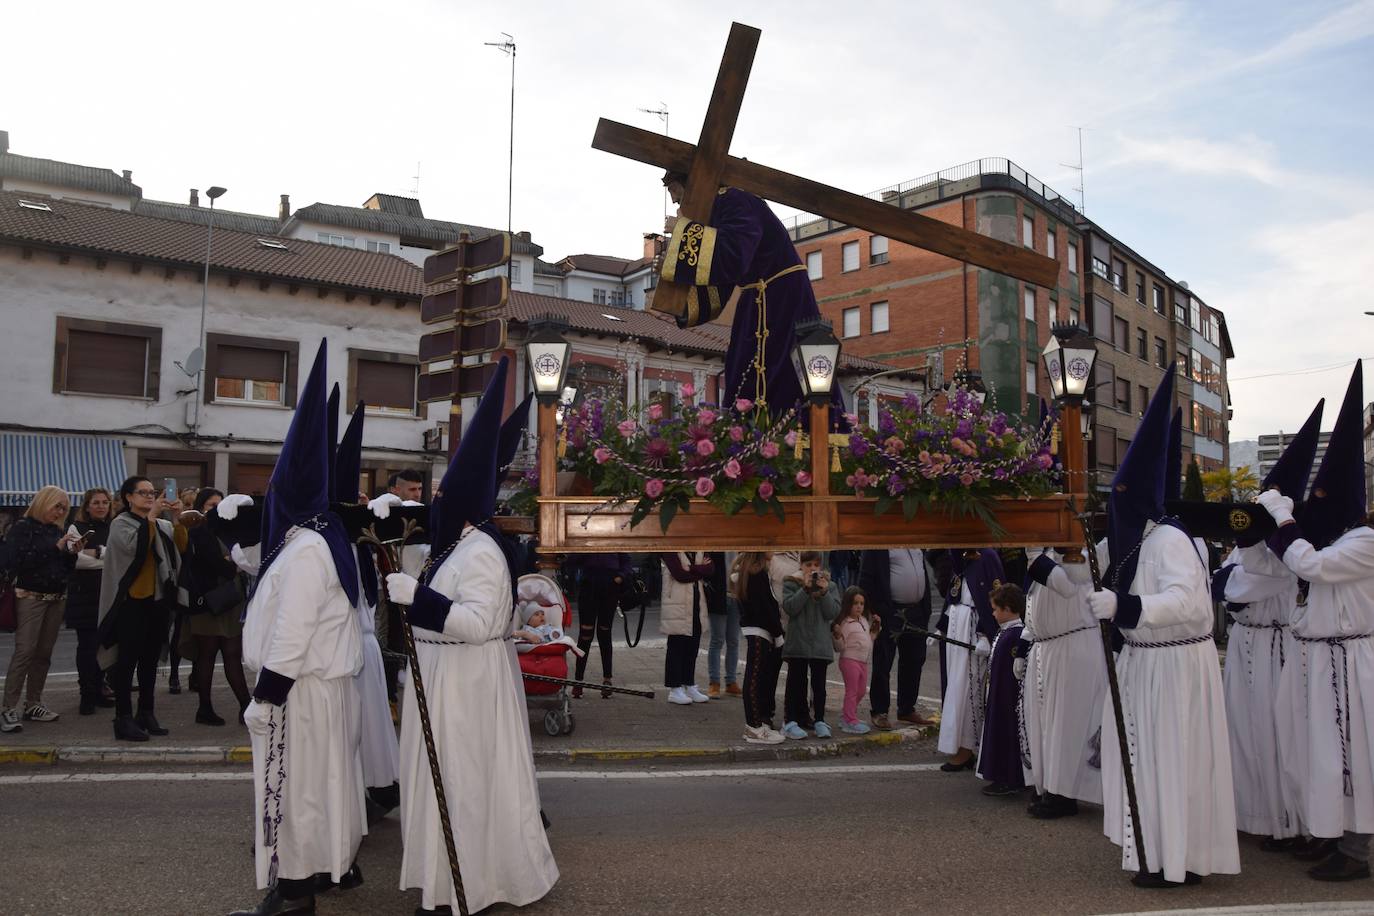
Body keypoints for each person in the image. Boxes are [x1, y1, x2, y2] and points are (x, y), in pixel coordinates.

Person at [383, 356, 558, 914]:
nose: (435, 504)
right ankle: (437, 881)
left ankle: (467, 886)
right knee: (435, 787)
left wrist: (420, 599)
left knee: (461, 784)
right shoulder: (453, 547)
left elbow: (480, 625)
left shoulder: (480, 551)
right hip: (437, 677)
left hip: (463, 683)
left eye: (441, 498)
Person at [1086, 366, 1239, 888]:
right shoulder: (1141, 541)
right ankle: (1158, 851)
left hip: (1174, 666)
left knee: (1173, 763)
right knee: (1151, 763)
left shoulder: (1170, 539)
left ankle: (1179, 859)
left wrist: (1124, 609)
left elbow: (1188, 603)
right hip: (1149, 664)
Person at [228, 340, 366, 916]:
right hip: (308, 691)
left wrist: (267, 693)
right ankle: (313, 877)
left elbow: (294, 628)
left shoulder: (307, 547)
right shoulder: (304, 541)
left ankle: (293, 894)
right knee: (310, 790)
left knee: (292, 795)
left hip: (299, 692)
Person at [1254, 362, 1374, 881]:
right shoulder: (1342, 539)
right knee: (1321, 755)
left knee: (1353, 758)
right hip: (1324, 660)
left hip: (1352, 663)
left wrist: (1284, 520)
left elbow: (1311, 565)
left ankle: (1359, 848)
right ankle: (1332, 833)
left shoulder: (1364, 543)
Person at [1217, 398, 1323, 850]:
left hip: (1275, 646)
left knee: (1277, 734)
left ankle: (1289, 821)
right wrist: (1229, 576)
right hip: (1244, 644)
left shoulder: (1283, 551)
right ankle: (1255, 813)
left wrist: (1230, 577)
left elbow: (1241, 586)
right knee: (1242, 729)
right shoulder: (1250, 546)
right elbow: (1226, 579)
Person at [660, 171, 837, 414]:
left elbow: (733, 256)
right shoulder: (718, 209)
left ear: (690, 183)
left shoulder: (736, 200)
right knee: (744, 375)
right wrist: (679, 297)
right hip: (755, 301)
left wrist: (682, 230)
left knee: (789, 378)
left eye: (672, 190)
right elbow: (719, 283)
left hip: (783, 298)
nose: (673, 201)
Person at [333, 399, 402, 819]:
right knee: (358, 732)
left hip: (357, 650)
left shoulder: (357, 541)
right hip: (346, 651)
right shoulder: (333, 543)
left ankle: (371, 794)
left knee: (365, 730)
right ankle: (362, 793)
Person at [1021, 546, 1106, 819]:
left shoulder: (1080, 551)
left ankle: (1064, 794)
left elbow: (1066, 585)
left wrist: (1035, 558)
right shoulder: (1046, 552)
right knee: (1044, 724)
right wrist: (1023, 645)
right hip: (1045, 647)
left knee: (1066, 726)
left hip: (1073, 646)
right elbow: (1033, 599)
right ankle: (1047, 784)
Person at [96, 477, 184, 742]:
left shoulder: (163, 524)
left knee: (149, 661)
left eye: (152, 492)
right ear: (128, 497)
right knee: (126, 662)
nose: (149, 497)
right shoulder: (120, 524)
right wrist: (153, 515)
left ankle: (146, 712)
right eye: (143, 493)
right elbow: (135, 548)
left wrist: (178, 517)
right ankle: (122, 718)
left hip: (158, 599)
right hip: (130, 601)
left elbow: (181, 547)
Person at [0, 486, 81, 732]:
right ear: (42, 503)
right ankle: (7, 708)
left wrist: (71, 553)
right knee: (25, 651)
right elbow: (16, 561)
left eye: (64, 508)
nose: (59, 512)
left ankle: (33, 702)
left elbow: (64, 567)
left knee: (43, 654)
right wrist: (55, 548)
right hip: (30, 596)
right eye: (56, 506)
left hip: (56, 596)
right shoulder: (22, 528)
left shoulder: (56, 529)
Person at [179, 488, 250, 727]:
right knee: (207, 654)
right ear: (201, 507)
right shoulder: (199, 530)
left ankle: (245, 706)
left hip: (231, 600)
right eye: (211, 505)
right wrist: (233, 564)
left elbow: (241, 560)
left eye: (220, 504)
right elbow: (220, 565)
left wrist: (233, 563)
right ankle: (205, 707)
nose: (216, 509)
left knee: (231, 653)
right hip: (208, 600)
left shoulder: (229, 528)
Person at [935, 548, 1004, 771]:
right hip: (957, 626)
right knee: (954, 687)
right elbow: (954, 591)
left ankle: (967, 747)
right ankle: (956, 743)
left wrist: (985, 632)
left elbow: (995, 594)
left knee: (969, 688)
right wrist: (943, 626)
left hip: (972, 628)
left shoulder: (988, 556)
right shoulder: (961, 555)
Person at [858, 548, 936, 729]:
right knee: (883, 661)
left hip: (916, 612)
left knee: (915, 660)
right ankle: (880, 711)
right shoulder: (878, 546)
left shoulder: (915, 543)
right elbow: (866, 579)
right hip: (889, 612)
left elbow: (922, 572)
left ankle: (907, 708)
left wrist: (926, 610)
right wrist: (874, 611)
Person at [976, 583, 1030, 798]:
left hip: (1007, 700)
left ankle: (1009, 778)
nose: (992, 612)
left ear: (1007, 609)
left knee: (1007, 737)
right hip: (998, 695)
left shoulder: (1015, 635)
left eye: (995, 608)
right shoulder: (1006, 633)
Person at [780, 551, 842, 739]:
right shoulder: (791, 582)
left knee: (819, 685)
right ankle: (790, 720)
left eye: (816, 565)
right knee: (795, 682)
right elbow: (790, 608)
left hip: (820, 644)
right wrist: (805, 589)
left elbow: (832, 612)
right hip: (798, 642)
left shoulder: (830, 586)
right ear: (801, 566)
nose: (812, 569)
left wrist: (823, 593)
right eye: (808, 565)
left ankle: (820, 720)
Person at [66, 488, 114, 716]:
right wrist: (106, 556)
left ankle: (98, 689)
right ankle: (86, 694)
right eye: (96, 502)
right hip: (84, 595)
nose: (101, 506)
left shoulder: (115, 527)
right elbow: (77, 561)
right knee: (87, 647)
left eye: (105, 502)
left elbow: (121, 558)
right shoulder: (76, 528)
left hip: (108, 594)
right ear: (87, 505)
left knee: (105, 645)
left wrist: (98, 552)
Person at [735, 552, 785, 744]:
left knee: (758, 677)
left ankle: (757, 724)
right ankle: (753, 726)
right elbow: (765, 606)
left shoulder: (754, 571)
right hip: (759, 630)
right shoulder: (755, 572)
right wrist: (778, 632)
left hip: (760, 629)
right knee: (754, 678)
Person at [568, 552, 631, 699]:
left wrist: (620, 577)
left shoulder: (615, 535)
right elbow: (572, 560)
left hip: (610, 587)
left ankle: (607, 680)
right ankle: (578, 681)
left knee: (604, 634)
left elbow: (626, 561)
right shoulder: (586, 533)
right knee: (585, 636)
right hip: (589, 586)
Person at [660, 551, 713, 705]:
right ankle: (674, 688)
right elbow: (679, 575)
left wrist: (691, 568)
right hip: (677, 604)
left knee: (692, 647)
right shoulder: (670, 549)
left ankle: (689, 684)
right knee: (676, 646)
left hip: (697, 604)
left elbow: (710, 569)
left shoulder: (699, 547)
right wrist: (699, 569)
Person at [833, 586, 876, 735]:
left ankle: (847, 714)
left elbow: (869, 639)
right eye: (855, 603)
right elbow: (840, 647)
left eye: (862, 604)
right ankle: (849, 720)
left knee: (861, 691)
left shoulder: (863, 620)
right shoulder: (846, 623)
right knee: (852, 691)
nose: (859, 607)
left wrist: (876, 628)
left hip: (863, 661)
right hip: (849, 660)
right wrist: (838, 636)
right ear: (848, 604)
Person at [705, 550, 741, 699]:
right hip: (717, 596)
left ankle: (731, 681)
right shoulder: (715, 545)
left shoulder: (741, 547)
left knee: (733, 640)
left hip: (737, 597)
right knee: (717, 639)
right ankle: (714, 682)